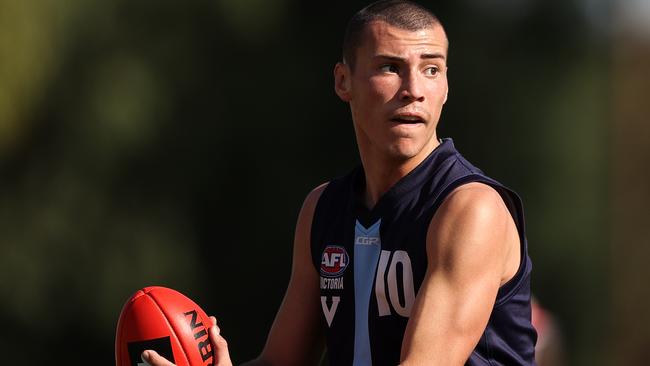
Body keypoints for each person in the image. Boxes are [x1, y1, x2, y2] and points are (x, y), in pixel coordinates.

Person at [142, 1, 537, 365]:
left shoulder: (470, 209)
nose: (414, 91)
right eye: (390, 68)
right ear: (343, 81)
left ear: (447, 86)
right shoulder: (323, 209)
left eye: (431, 69)